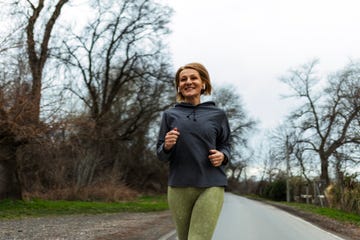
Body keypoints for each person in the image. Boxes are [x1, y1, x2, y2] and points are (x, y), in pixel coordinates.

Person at [157, 62, 231, 240]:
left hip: (211, 184)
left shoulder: (218, 115)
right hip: (178, 187)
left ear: (203, 83)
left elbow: (226, 145)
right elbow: (160, 154)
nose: (188, 82)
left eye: (193, 78)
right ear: (179, 86)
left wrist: (223, 156)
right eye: (183, 79)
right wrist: (167, 145)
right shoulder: (170, 115)